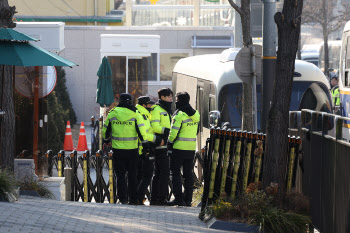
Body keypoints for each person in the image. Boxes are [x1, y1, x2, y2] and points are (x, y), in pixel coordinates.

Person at [102, 93, 148, 205]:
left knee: (120, 175)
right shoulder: (135, 113)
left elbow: (105, 130)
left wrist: (107, 141)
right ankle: (133, 199)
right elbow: (142, 132)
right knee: (132, 175)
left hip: (118, 150)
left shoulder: (113, 113)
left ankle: (122, 198)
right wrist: (145, 146)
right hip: (132, 150)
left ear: (120, 101)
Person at [167, 92, 200, 206]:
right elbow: (196, 131)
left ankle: (178, 199)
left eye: (176, 99)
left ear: (180, 100)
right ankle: (188, 199)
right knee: (188, 174)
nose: (175, 102)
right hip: (190, 149)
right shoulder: (196, 114)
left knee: (175, 173)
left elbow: (173, 132)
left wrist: (169, 143)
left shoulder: (179, 114)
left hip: (178, 148)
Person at [135, 96, 164, 204]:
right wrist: (157, 139)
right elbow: (144, 134)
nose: (151, 106)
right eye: (149, 105)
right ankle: (138, 198)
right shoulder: (141, 115)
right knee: (147, 175)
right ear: (144, 105)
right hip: (143, 149)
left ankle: (138, 198)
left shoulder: (143, 114)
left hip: (140, 149)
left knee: (141, 175)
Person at [149, 88, 173, 205]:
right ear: (162, 97)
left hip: (164, 144)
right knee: (163, 172)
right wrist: (169, 131)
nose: (171, 99)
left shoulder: (166, 109)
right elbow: (155, 127)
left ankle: (156, 199)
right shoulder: (157, 109)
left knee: (160, 172)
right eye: (169, 97)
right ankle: (160, 199)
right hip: (159, 145)